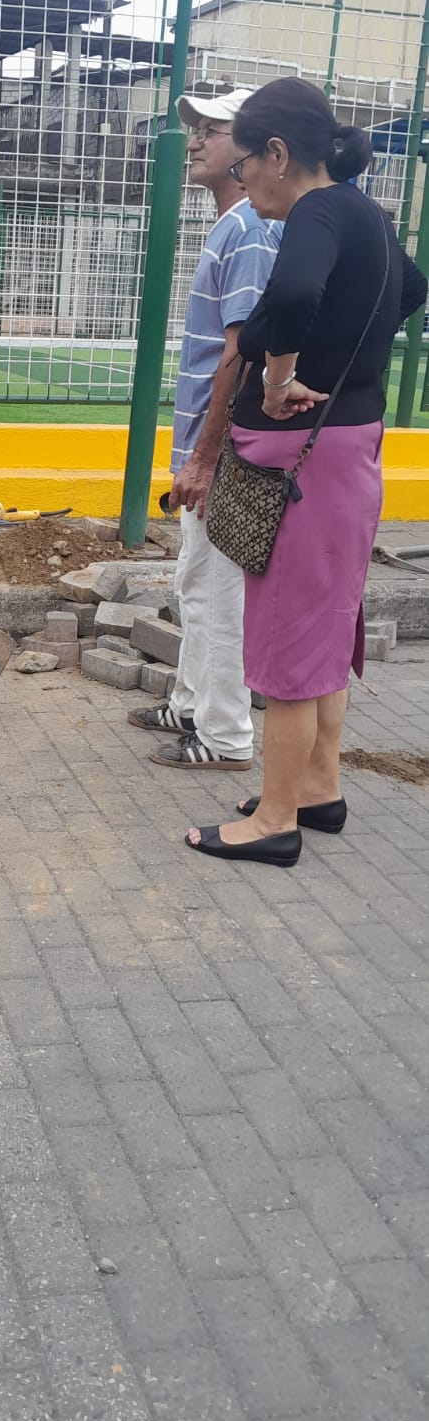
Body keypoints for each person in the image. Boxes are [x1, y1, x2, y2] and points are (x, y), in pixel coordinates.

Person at [186, 76, 427, 867]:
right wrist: (348, 351)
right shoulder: (366, 214)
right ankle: (318, 788)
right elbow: (413, 287)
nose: (244, 178)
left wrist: (281, 375)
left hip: (303, 457)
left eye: (245, 163)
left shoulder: (317, 212)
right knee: (324, 629)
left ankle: (275, 820)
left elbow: (291, 294)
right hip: (349, 444)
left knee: (289, 636)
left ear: (277, 153)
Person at [128, 86, 282, 769]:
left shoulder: (249, 230)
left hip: (225, 449)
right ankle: (191, 704)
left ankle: (224, 736)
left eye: (211, 129)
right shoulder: (236, 224)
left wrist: (206, 456)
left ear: (254, 148)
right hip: (210, 443)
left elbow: (244, 353)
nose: (193, 140)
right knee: (196, 579)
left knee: (218, 590)